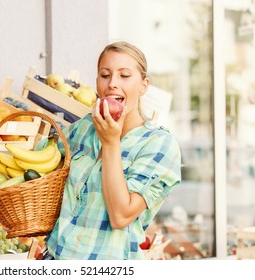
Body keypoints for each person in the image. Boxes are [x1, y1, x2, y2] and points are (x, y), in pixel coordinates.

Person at [42, 41, 182, 260]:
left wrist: (111, 143)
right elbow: (46, 171)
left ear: (144, 86)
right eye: (105, 75)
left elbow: (120, 215)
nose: (112, 84)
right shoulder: (85, 128)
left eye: (124, 75)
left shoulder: (158, 144)